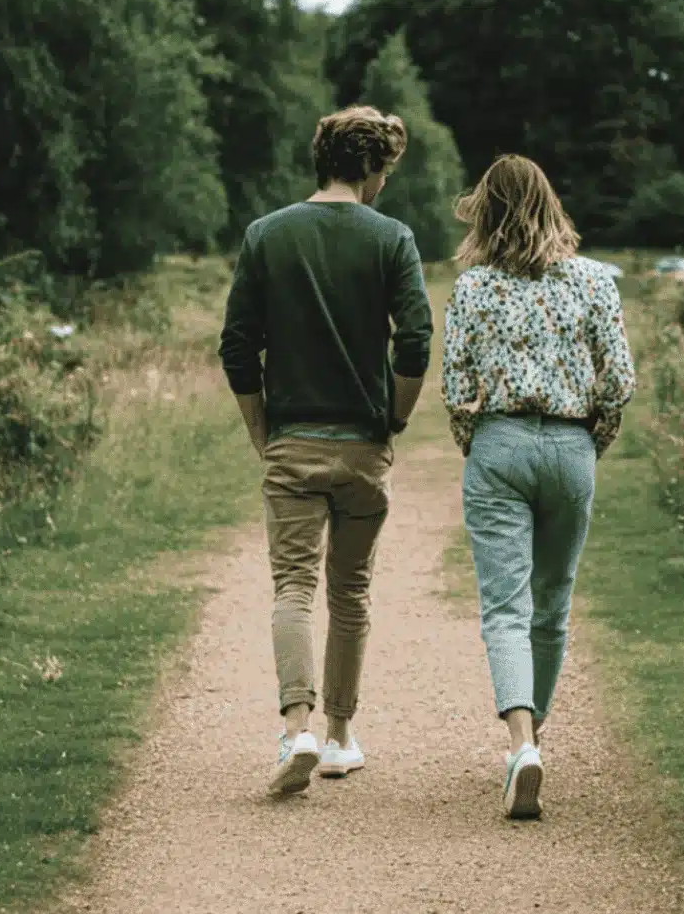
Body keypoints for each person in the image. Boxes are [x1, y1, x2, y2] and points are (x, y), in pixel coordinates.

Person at [218, 105, 434, 797]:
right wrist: (393, 418)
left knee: (292, 587)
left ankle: (296, 728)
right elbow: (416, 340)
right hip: (363, 447)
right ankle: (341, 737)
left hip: (292, 441)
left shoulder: (265, 236)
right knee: (351, 590)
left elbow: (236, 346)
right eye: (385, 173)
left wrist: (260, 431)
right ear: (370, 166)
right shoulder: (392, 238)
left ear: (322, 158)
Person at [441, 154, 636, 819]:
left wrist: (481, 442)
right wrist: (592, 440)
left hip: (500, 441)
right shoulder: (594, 281)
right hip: (572, 444)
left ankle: (522, 744)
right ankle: (535, 740)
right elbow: (619, 382)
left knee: (505, 607)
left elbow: (458, 388)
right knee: (553, 603)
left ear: (488, 214)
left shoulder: (473, 288)